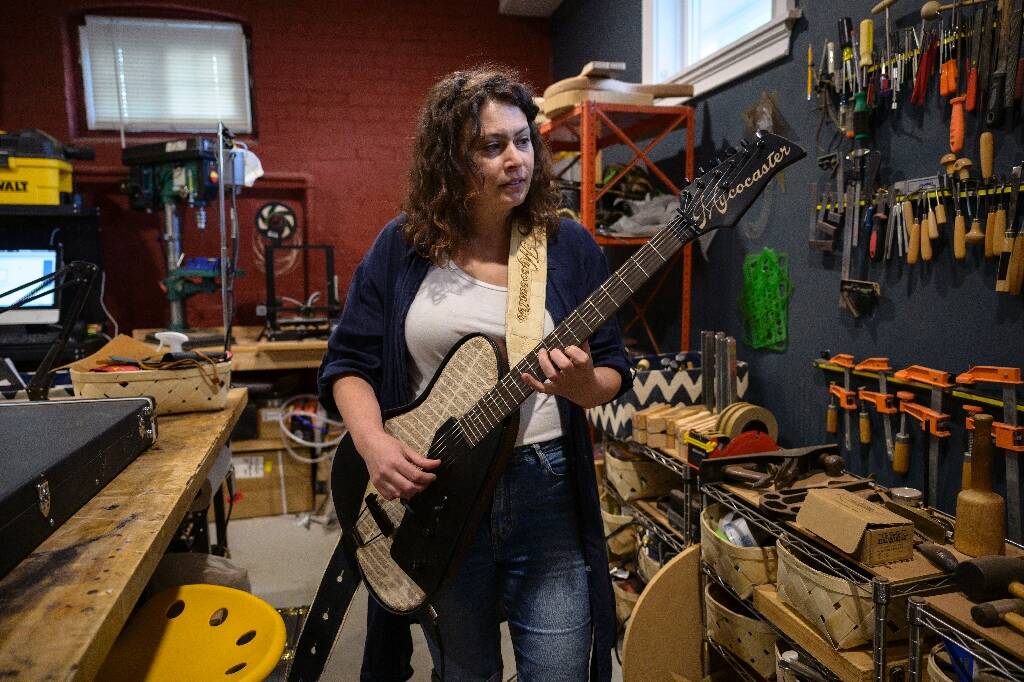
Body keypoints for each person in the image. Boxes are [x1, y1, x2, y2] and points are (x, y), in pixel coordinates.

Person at [317, 64, 631, 682]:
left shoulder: (568, 247)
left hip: (547, 488)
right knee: (466, 671)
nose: (516, 159)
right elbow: (347, 364)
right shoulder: (402, 247)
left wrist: (581, 386)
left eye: (522, 141)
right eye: (492, 146)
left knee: (561, 669)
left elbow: (612, 373)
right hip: (440, 492)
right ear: (450, 161)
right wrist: (374, 443)